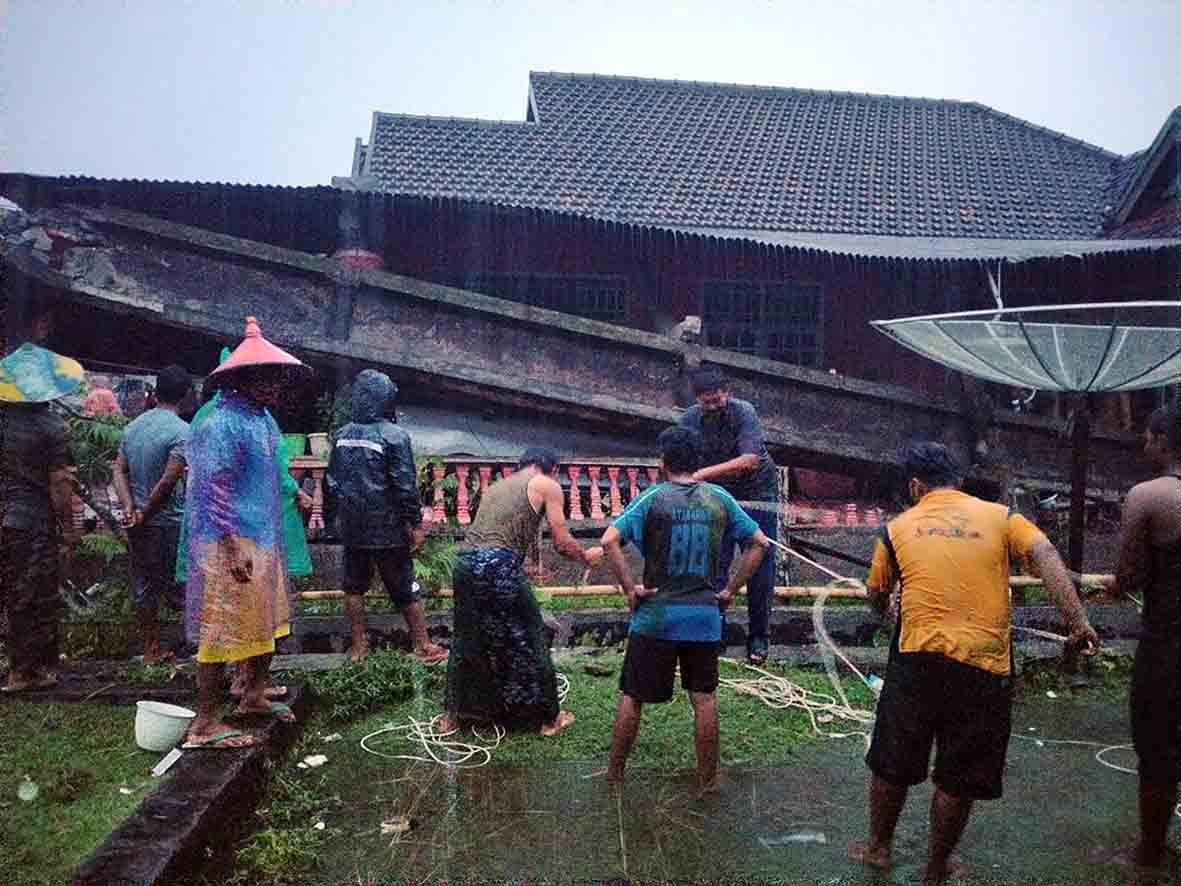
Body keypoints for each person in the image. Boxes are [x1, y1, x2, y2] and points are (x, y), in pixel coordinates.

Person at [850, 442, 1098, 885]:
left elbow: (875, 596)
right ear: (958, 482)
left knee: (892, 759)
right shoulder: (1001, 517)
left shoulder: (897, 527)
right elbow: (1045, 555)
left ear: (914, 486)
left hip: (916, 659)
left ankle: (878, 849)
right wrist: (1077, 622)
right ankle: (935, 869)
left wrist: (888, 604)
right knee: (959, 773)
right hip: (982, 664)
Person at [601, 426, 769, 791]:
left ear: (663, 462)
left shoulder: (652, 498)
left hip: (656, 616)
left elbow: (609, 540)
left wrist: (631, 589)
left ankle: (614, 774)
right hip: (703, 617)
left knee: (633, 697)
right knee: (704, 699)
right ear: (698, 461)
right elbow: (758, 544)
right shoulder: (719, 498)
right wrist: (729, 590)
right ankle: (708, 781)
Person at [181, 317, 311, 749]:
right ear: (242, 378)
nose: (275, 385)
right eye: (266, 376)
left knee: (267, 626)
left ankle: (253, 694)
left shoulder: (261, 420)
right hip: (228, 542)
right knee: (219, 633)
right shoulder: (221, 423)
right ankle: (204, 723)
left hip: (262, 537)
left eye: (277, 376)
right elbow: (212, 489)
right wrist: (233, 545)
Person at [441, 447, 602, 735]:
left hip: (465, 564)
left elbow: (491, 536)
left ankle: (451, 718)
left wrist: (521, 568)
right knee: (533, 633)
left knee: (466, 638)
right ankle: (550, 719)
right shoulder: (547, 484)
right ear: (552, 469)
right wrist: (586, 556)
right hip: (497, 564)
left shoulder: (498, 486)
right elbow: (562, 543)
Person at [323, 369, 446, 664]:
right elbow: (405, 485)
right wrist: (415, 525)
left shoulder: (341, 435)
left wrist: (337, 517)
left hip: (353, 526)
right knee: (405, 587)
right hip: (387, 528)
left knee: (354, 586)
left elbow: (331, 481)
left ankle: (359, 648)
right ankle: (423, 644)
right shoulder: (395, 436)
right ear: (386, 399)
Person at [1109, 404, 1181, 874]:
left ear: (1160, 439)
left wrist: (1115, 586)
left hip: (1170, 645)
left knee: (1158, 750)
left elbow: (1129, 575)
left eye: (1147, 437)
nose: (1143, 446)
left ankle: (1150, 853)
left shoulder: (1149, 496)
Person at [678, 367, 779, 664]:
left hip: (756, 493)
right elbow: (678, 459)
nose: (714, 405)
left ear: (728, 393)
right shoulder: (689, 420)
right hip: (716, 495)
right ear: (698, 400)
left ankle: (759, 636)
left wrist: (701, 474)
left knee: (760, 563)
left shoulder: (744, 412)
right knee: (714, 561)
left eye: (718, 399)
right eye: (707, 402)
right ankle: (714, 630)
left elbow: (749, 460)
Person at [0, 343, 85, 692]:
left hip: (6, 515)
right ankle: (22, 672)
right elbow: (60, 482)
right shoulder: (52, 427)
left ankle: (30, 667)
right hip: (32, 520)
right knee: (32, 594)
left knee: (14, 591)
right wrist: (68, 528)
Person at [112, 365, 191, 665]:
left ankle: (150, 649)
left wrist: (130, 506)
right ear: (186, 395)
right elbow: (168, 481)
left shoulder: (133, 427)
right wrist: (144, 510)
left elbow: (117, 468)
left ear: (156, 391)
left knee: (145, 586)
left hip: (139, 522)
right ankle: (195, 650)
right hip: (168, 523)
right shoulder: (182, 431)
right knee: (181, 587)